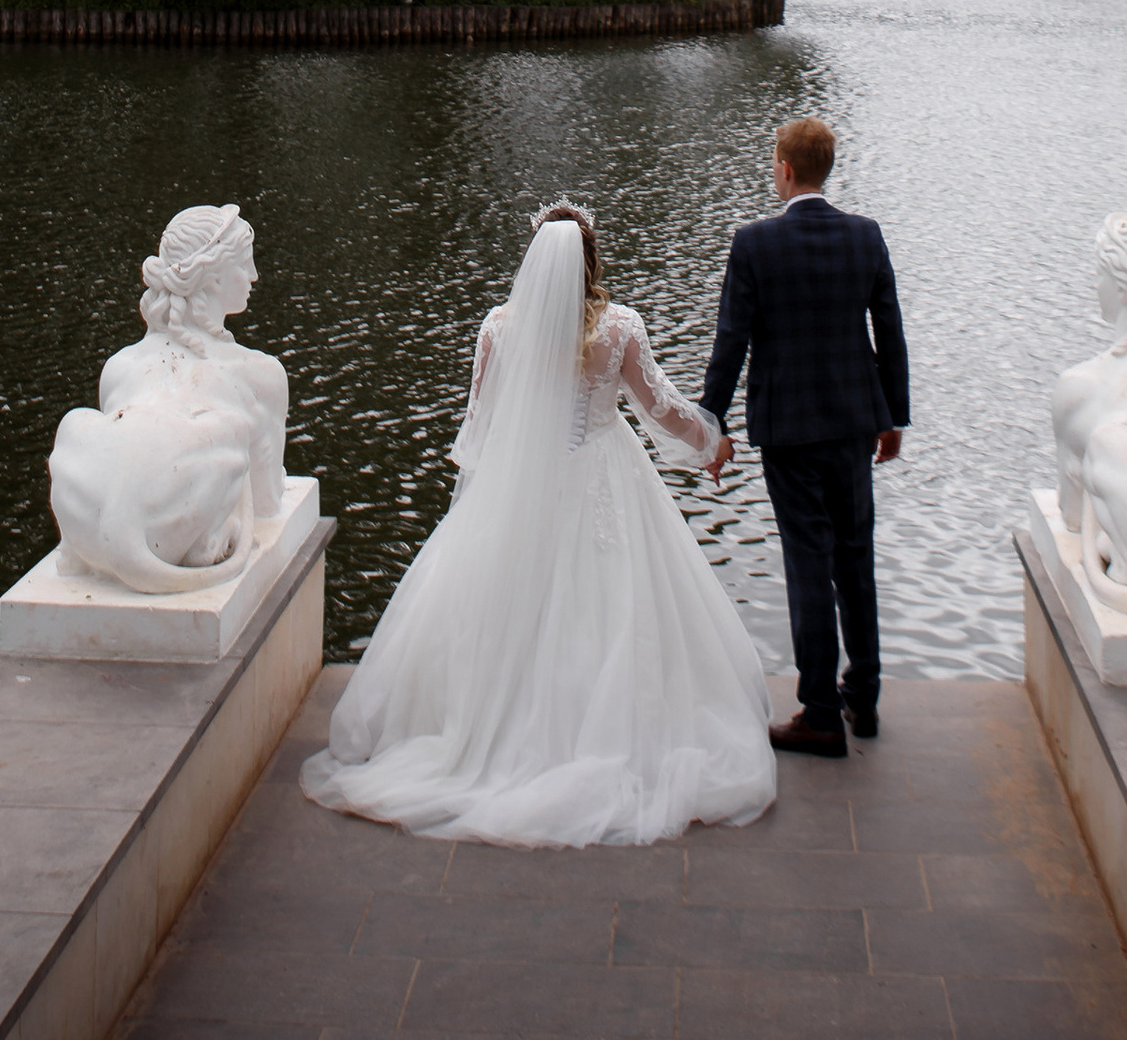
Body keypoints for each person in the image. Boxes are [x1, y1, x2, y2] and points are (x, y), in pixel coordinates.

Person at [301, 204, 775, 847]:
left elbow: (478, 426)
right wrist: (711, 446)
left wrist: (482, 500)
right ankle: (600, 735)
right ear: (590, 258)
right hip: (604, 478)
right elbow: (661, 410)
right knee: (609, 608)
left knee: (511, 607)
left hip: (519, 484)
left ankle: (485, 738)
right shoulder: (620, 329)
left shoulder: (499, 328)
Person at [700, 113, 908, 759]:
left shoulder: (754, 244)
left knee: (808, 564)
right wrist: (892, 415)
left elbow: (731, 342)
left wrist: (711, 424)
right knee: (855, 557)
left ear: (785, 170)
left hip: (788, 429)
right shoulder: (865, 237)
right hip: (852, 424)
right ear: (825, 170)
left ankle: (819, 711)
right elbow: (889, 332)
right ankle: (863, 699)